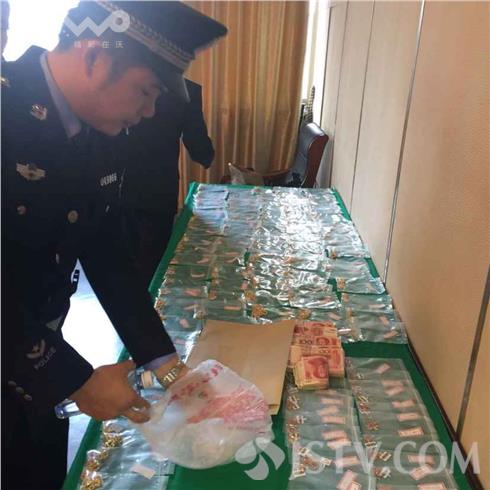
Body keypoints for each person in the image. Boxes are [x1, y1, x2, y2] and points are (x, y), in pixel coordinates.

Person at [1, 1, 226, 489]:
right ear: (94, 58)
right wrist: (72, 378)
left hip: (40, 348)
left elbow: (105, 248)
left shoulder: (98, 127)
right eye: (146, 91)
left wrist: (164, 362)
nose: (149, 111)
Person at [120, 78, 215, 286]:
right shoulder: (187, 90)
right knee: (155, 261)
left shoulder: (119, 83)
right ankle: (151, 302)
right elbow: (199, 149)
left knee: (123, 262)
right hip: (160, 189)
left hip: (118, 188)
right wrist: (208, 155)